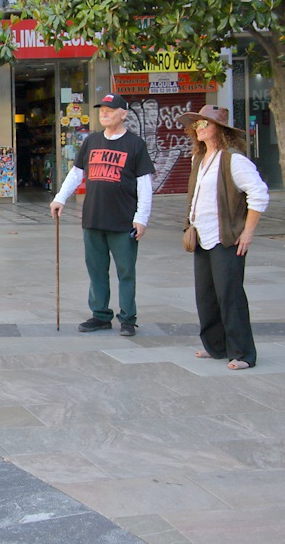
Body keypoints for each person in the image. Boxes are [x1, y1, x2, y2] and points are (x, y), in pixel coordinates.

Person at [50, 93, 154, 337]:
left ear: (123, 114)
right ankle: (100, 315)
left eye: (110, 109)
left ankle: (128, 318)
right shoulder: (92, 141)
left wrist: (141, 218)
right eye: (102, 110)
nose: (104, 113)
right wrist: (60, 198)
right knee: (96, 269)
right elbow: (76, 174)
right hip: (93, 217)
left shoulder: (135, 144)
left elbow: (144, 184)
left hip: (123, 220)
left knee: (126, 270)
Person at [177, 105, 269, 370]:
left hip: (226, 238)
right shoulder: (200, 158)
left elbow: (259, 194)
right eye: (197, 125)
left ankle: (242, 354)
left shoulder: (234, 160)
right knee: (205, 296)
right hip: (202, 236)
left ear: (220, 129)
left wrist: (248, 232)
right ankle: (216, 347)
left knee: (230, 296)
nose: (199, 128)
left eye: (205, 123)